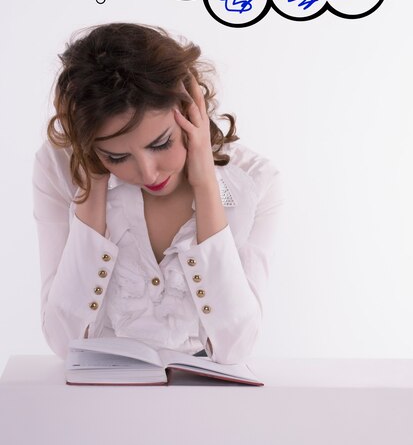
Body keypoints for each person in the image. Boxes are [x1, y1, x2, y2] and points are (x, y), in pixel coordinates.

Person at [33, 23, 281, 364]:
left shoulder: (255, 181)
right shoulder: (58, 167)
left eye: (160, 143)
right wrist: (93, 185)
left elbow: (234, 347)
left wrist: (206, 186)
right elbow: (65, 341)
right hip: (95, 403)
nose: (148, 172)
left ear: (190, 108)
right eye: (116, 156)